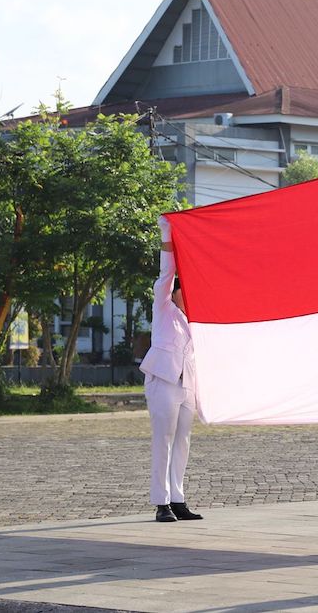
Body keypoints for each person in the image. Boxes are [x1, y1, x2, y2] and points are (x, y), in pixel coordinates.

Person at [140, 217, 203, 523]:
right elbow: (166, 274)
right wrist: (167, 235)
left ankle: (177, 499)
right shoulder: (164, 308)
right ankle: (161, 502)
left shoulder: (195, 319)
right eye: (182, 289)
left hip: (186, 384)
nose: (186, 294)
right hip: (163, 379)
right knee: (162, 439)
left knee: (183, 441)